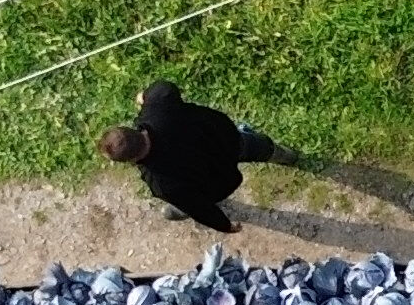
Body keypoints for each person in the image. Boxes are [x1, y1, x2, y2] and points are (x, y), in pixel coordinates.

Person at [97, 81, 291, 232]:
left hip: (220, 176)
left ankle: (180, 210)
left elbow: (200, 208)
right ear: (133, 129)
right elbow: (164, 87)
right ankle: (287, 156)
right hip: (227, 139)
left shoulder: (160, 182)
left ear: (130, 161)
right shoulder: (159, 109)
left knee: (185, 200)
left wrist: (224, 225)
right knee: (260, 146)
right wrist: (144, 97)